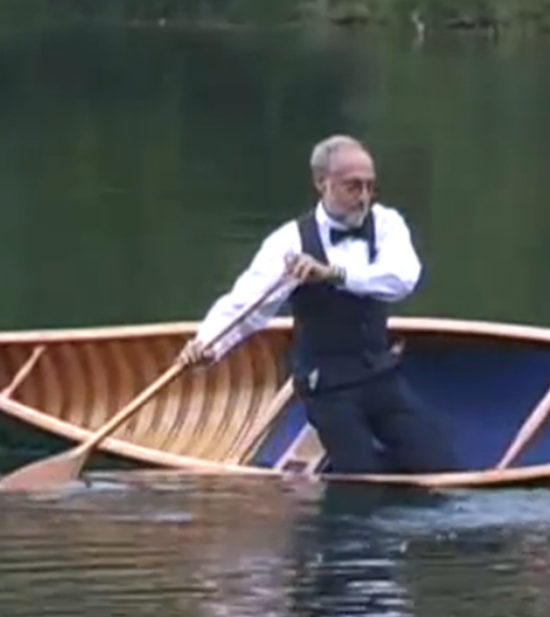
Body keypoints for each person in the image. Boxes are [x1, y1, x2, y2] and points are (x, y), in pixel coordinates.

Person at [177, 134, 460, 476]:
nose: (364, 198)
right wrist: (206, 345)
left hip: (379, 375)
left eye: (370, 186)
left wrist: (333, 274)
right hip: (326, 387)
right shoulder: (290, 242)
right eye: (353, 187)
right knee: (361, 478)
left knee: (441, 468)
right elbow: (244, 306)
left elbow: (403, 278)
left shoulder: (386, 224)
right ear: (321, 183)